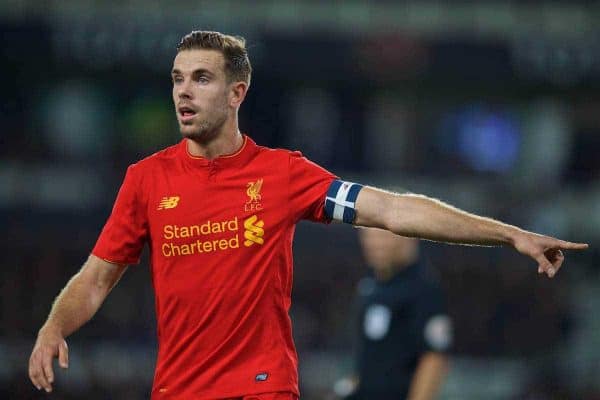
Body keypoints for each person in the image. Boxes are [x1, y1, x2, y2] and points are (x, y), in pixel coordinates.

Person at [28, 31, 588, 400]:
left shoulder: (282, 175)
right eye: (178, 78)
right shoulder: (146, 180)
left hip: (261, 387)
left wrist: (507, 234)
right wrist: (55, 325)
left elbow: (391, 209)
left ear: (237, 92)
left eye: (202, 78)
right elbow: (97, 278)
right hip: (177, 390)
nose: (184, 92)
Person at [335, 228, 451, 400]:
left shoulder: (423, 288)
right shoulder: (369, 286)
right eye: (370, 236)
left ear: (409, 238)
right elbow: (371, 360)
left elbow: (434, 359)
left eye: (382, 236)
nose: (375, 244)